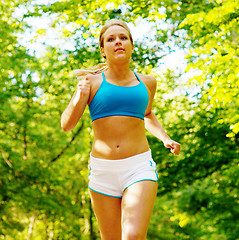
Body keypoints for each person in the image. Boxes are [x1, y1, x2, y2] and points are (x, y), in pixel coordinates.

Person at [61, 19, 181, 240]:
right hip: (102, 171)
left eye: (123, 38)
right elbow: (66, 125)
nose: (118, 42)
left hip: (138, 167)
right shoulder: (92, 82)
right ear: (103, 50)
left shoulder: (147, 82)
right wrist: (79, 96)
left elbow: (146, 114)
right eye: (111, 39)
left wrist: (165, 138)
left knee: (134, 235)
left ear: (131, 45)